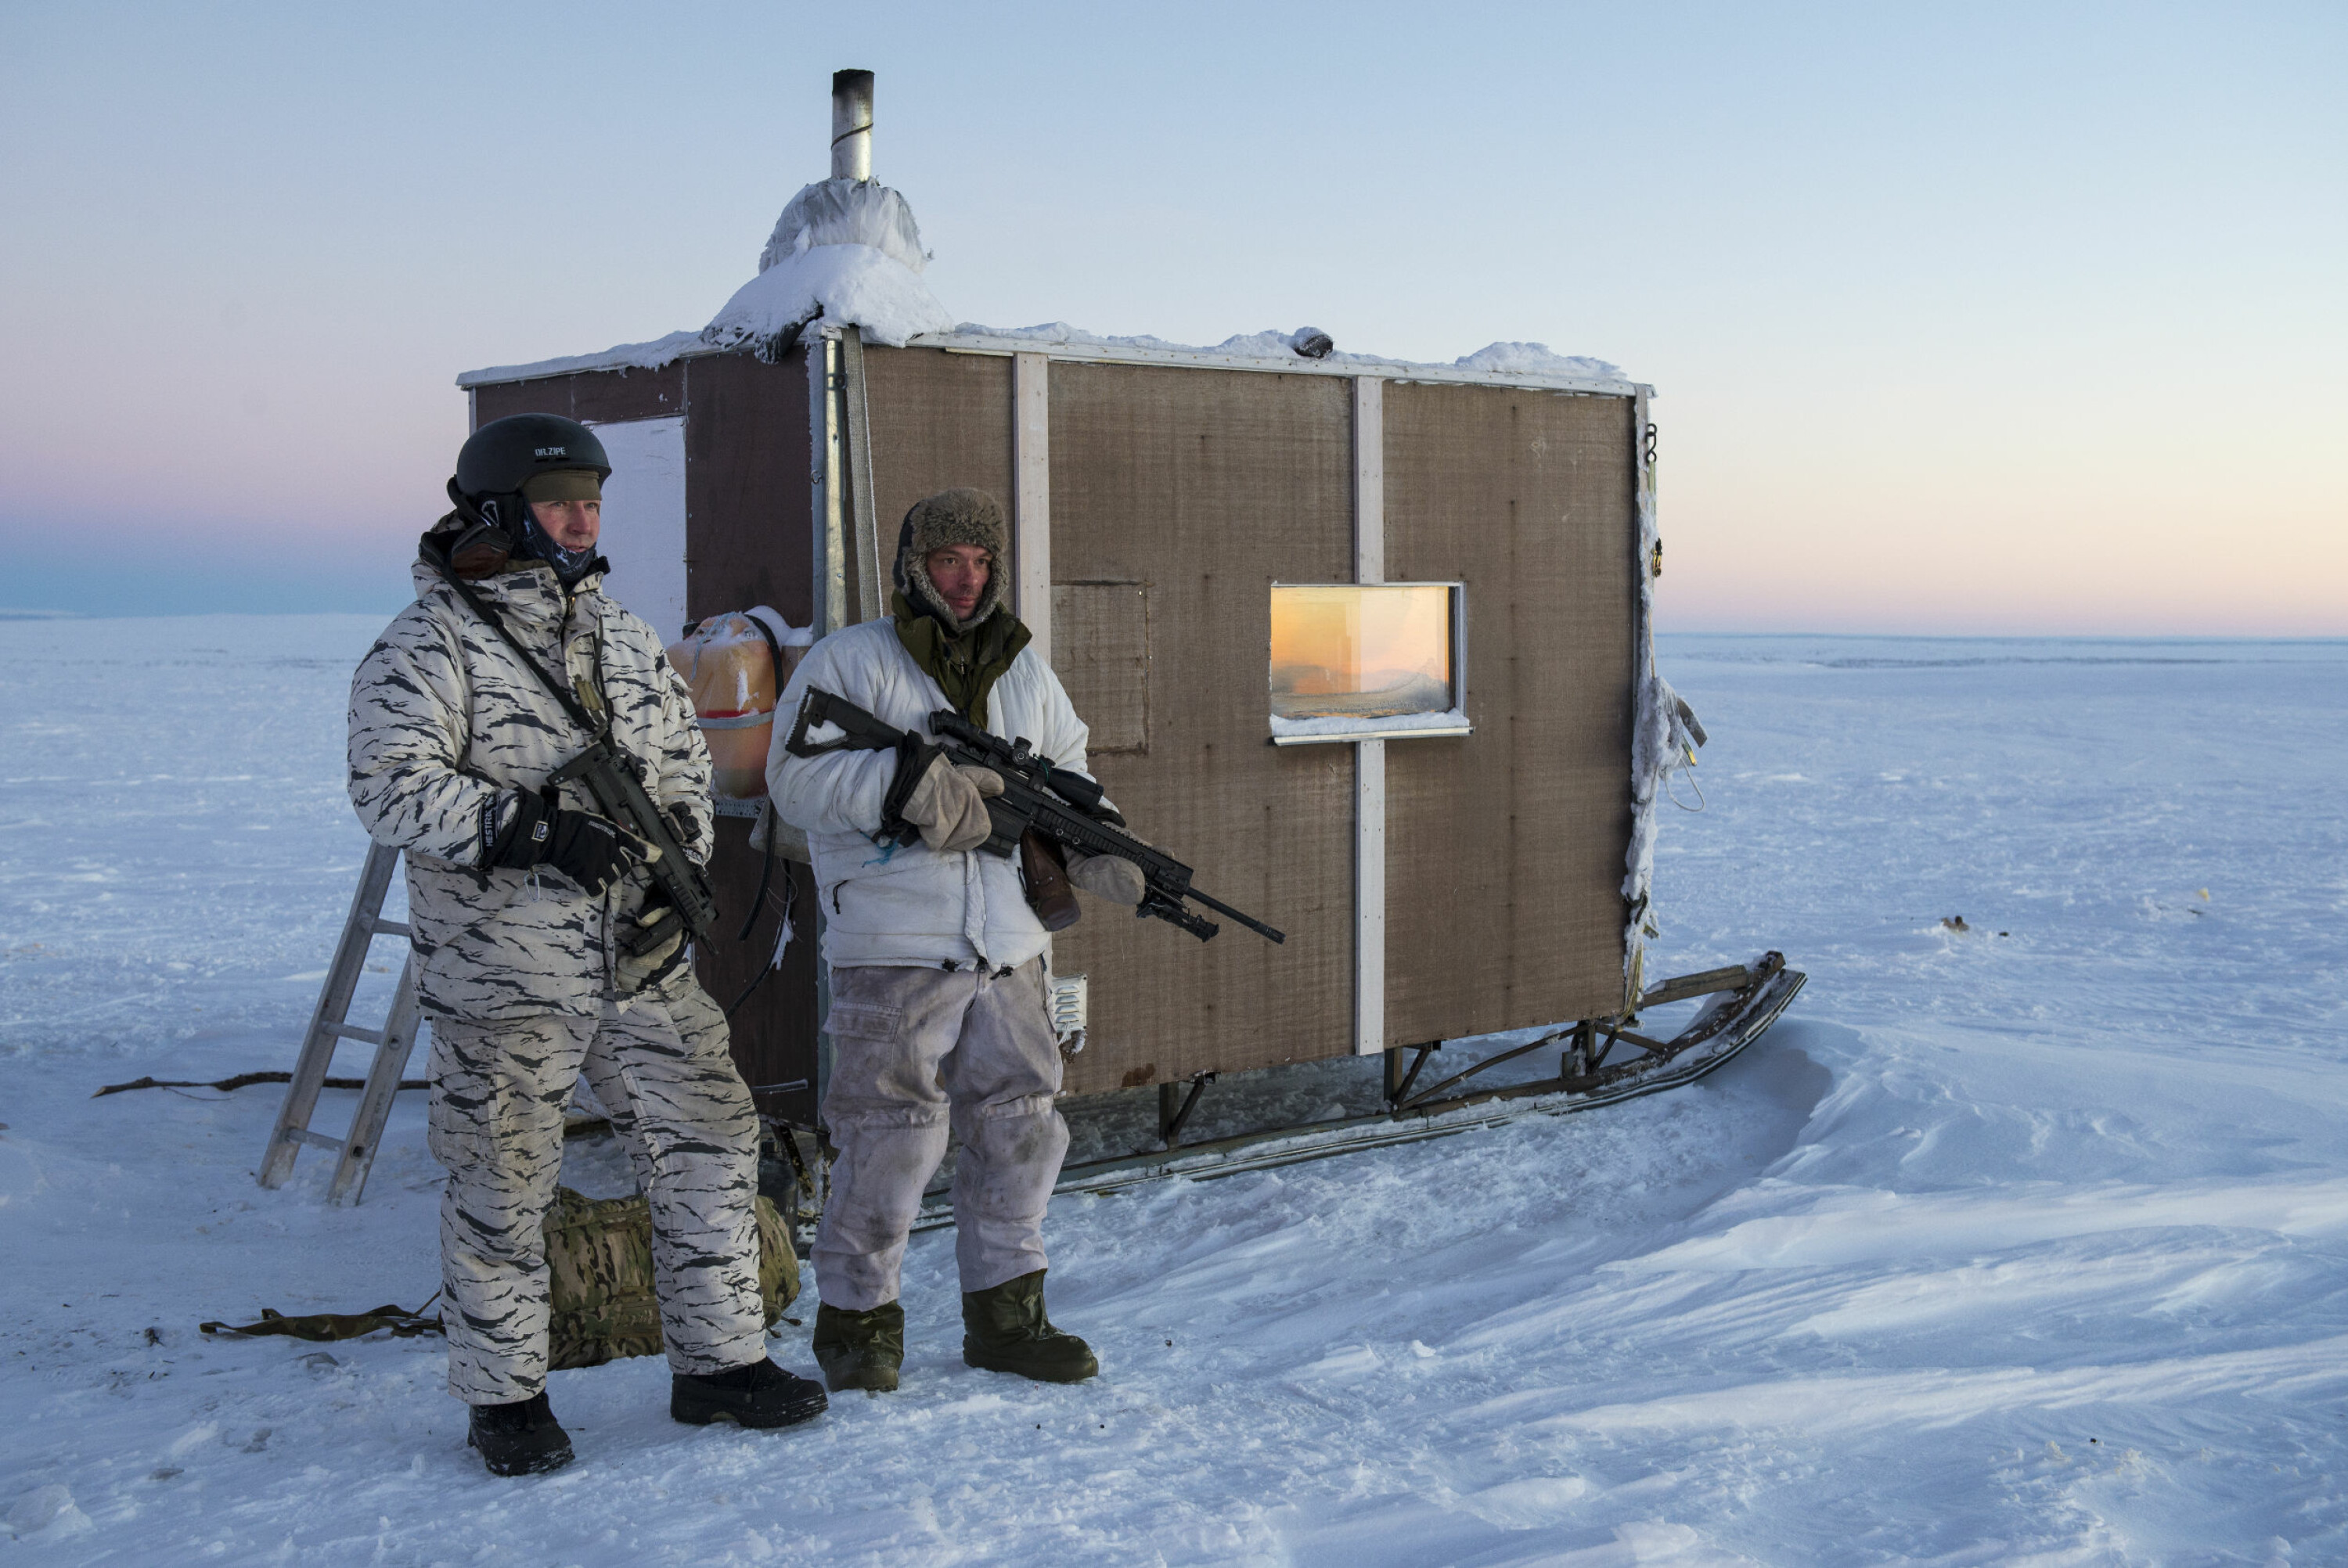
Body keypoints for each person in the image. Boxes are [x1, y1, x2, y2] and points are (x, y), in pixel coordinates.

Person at [347, 412, 826, 1476]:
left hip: (644, 963)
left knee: (709, 1141)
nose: (581, 516)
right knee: (503, 1175)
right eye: (560, 497)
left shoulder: (617, 631)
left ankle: (719, 1365)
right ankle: (505, 1396)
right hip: (506, 971)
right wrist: (527, 829)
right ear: (499, 510)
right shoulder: (432, 642)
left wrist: (678, 880)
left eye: (592, 498)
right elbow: (388, 786)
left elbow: (681, 778)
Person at [768, 487, 1147, 1394]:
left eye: (981, 563)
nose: (967, 580)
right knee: (890, 1138)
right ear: (913, 566)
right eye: (949, 562)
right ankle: (858, 1327)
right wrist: (906, 785)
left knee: (1023, 1131)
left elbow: (1073, 771)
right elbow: (792, 783)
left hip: (1012, 949)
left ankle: (1009, 1321)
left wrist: (1100, 841)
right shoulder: (852, 662)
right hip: (894, 945)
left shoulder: (1025, 670)